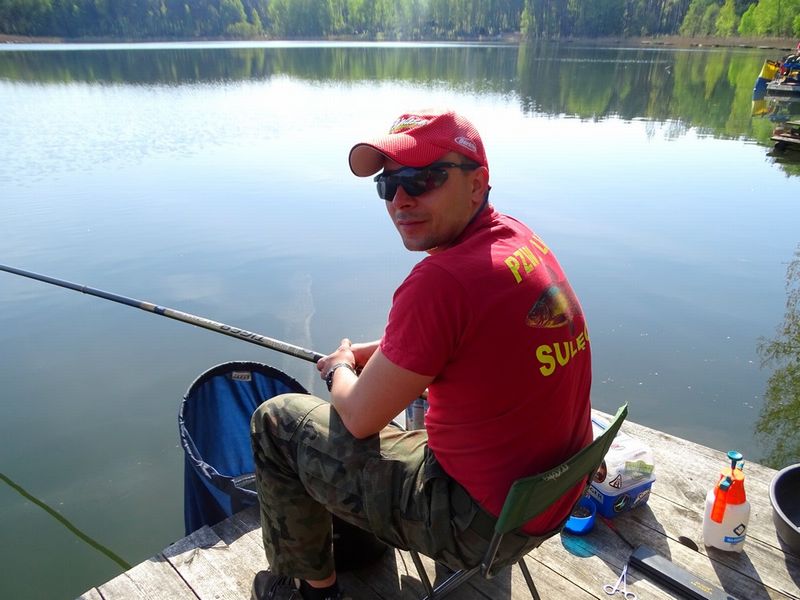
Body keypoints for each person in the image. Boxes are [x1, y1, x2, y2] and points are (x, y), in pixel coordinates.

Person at [249, 109, 593, 600]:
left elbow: (360, 418)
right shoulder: (518, 240)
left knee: (278, 422)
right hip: (548, 496)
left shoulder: (441, 282)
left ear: (477, 184)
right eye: (388, 185)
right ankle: (357, 544)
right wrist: (375, 352)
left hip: (473, 522)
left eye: (423, 179)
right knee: (376, 422)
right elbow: (458, 337)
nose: (401, 200)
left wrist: (341, 367)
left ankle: (313, 592)